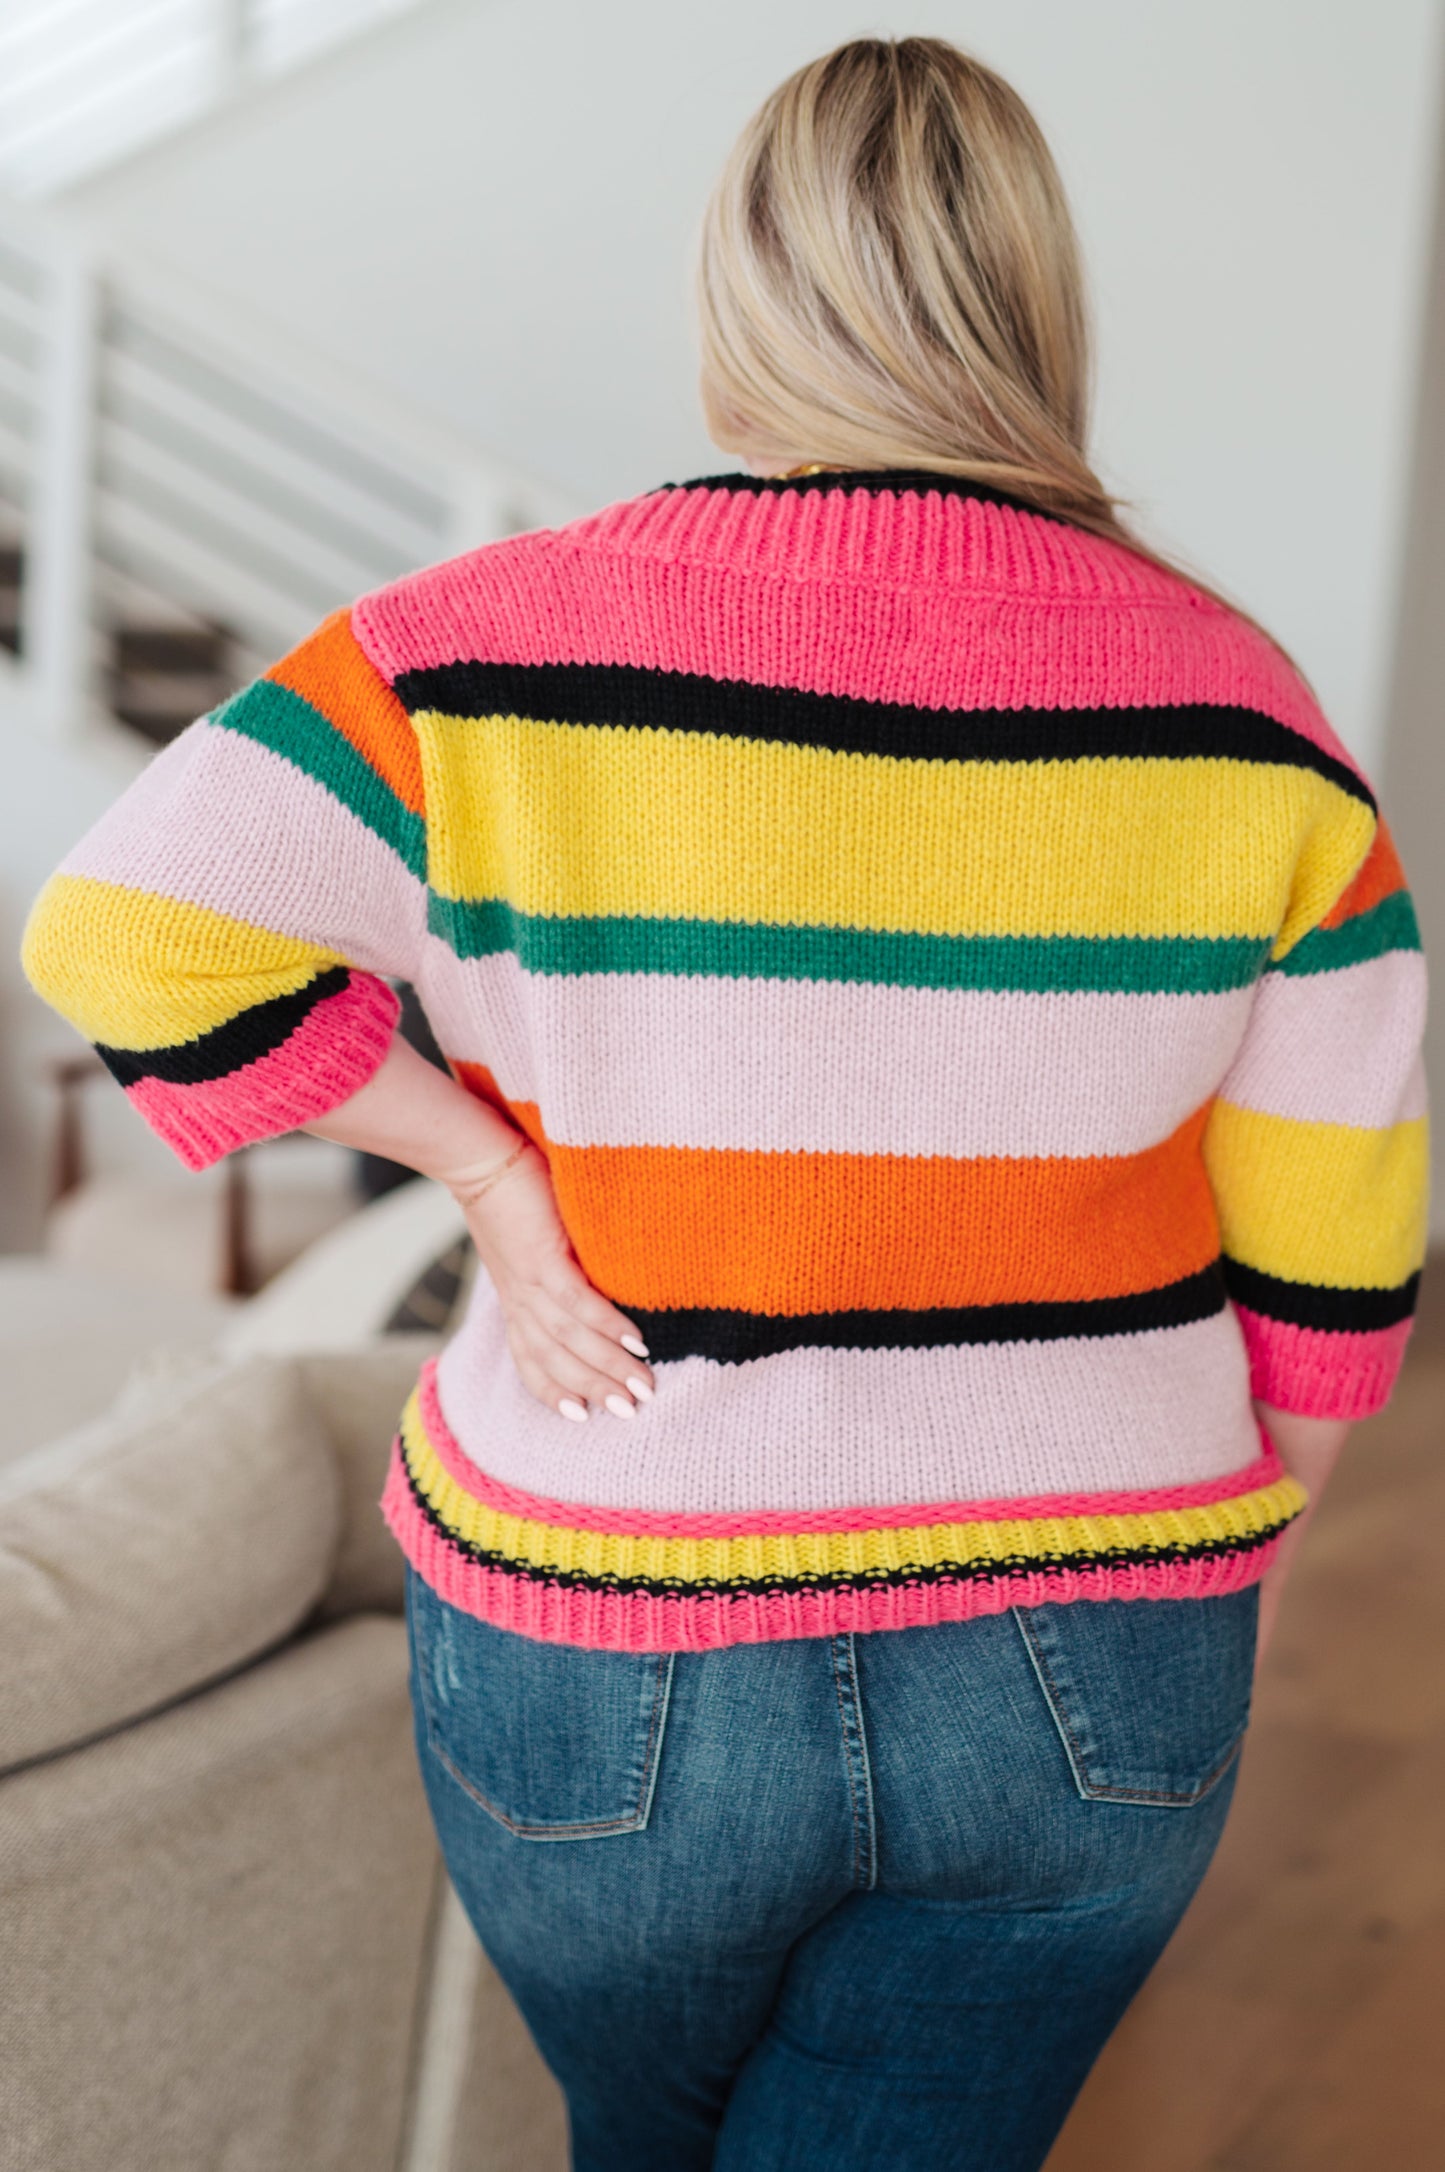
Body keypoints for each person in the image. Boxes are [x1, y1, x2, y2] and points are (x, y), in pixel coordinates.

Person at [20, 35, 1428, 2172]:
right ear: (1039, 306)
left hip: (615, 1618)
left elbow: (126, 933)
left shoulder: (471, 651)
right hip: (1103, 1618)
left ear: (736, 298)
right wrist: (1243, 1551)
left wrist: (482, 1171)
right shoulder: (1249, 713)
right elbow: (1333, 1237)